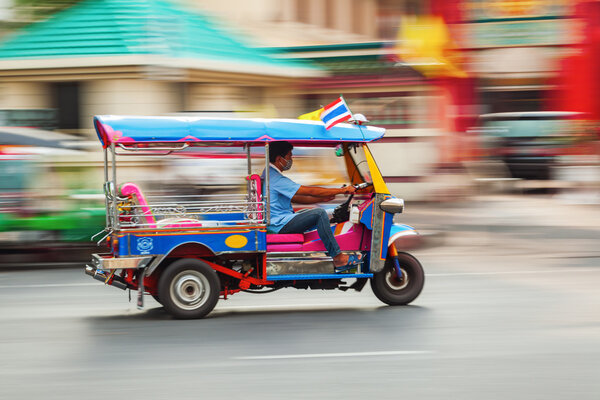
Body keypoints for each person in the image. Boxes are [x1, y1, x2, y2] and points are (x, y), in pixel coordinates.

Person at [262, 141, 361, 269]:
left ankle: (323, 251)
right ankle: (338, 258)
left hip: (278, 220)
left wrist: (320, 199)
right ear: (279, 159)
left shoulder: (270, 174)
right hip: (278, 224)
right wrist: (342, 190)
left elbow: (297, 197)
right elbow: (309, 190)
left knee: (309, 212)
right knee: (319, 214)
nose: (291, 160)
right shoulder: (275, 178)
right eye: (289, 156)